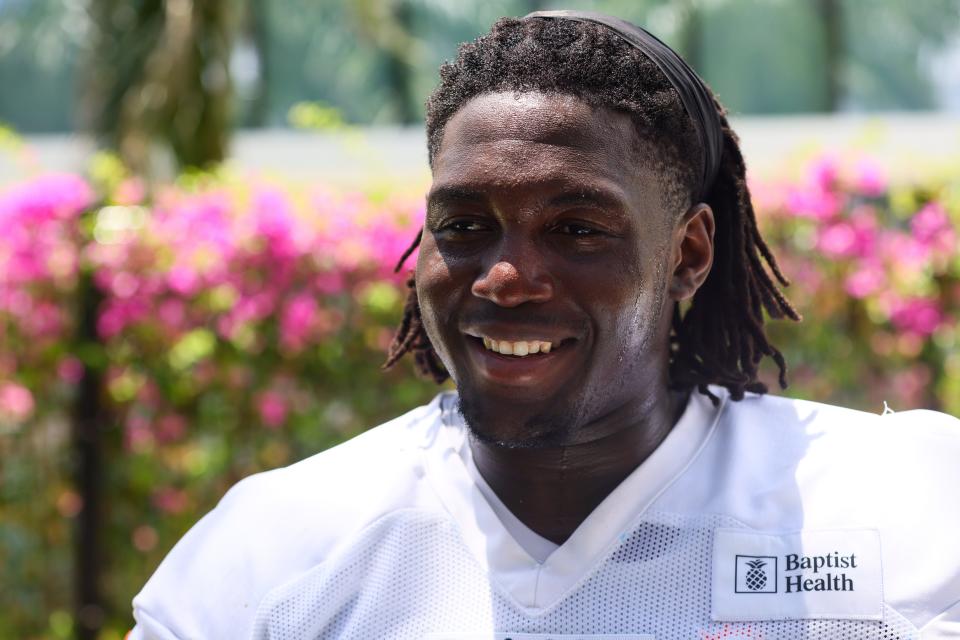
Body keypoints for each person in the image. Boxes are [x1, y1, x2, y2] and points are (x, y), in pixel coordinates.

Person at [130, 11, 960, 639]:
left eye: (577, 228)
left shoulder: (908, 508)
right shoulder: (274, 556)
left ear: (689, 254)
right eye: (464, 226)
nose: (505, 277)